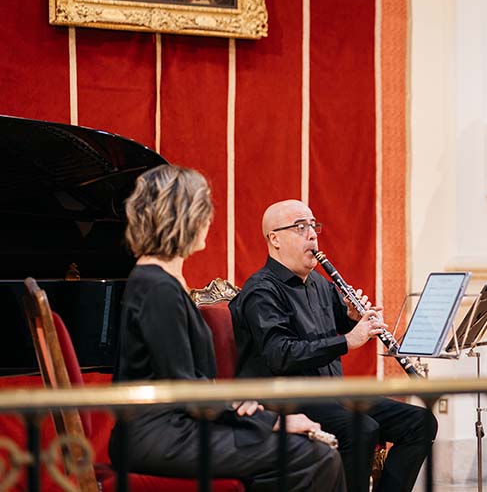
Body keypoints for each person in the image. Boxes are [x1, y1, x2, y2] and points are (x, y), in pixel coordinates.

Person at [110, 165, 344, 492]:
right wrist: (275, 421)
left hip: (175, 427)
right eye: (204, 212)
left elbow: (189, 382)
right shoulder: (156, 287)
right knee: (314, 456)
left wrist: (239, 404)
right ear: (184, 220)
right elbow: (186, 389)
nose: (208, 221)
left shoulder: (159, 281)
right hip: (160, 436)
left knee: (314, 454)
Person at [230, 199, 438, 492]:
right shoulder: (261, 291)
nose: (312, 234)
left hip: (330, 393)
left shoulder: (318, 283)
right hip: (284, 397)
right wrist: (348, 340)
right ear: (274, 239)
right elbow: (280, 354)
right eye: (300, 227)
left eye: (313, 226)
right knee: (362, 429)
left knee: (420, 422)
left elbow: (340, 324)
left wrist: (354, 318)